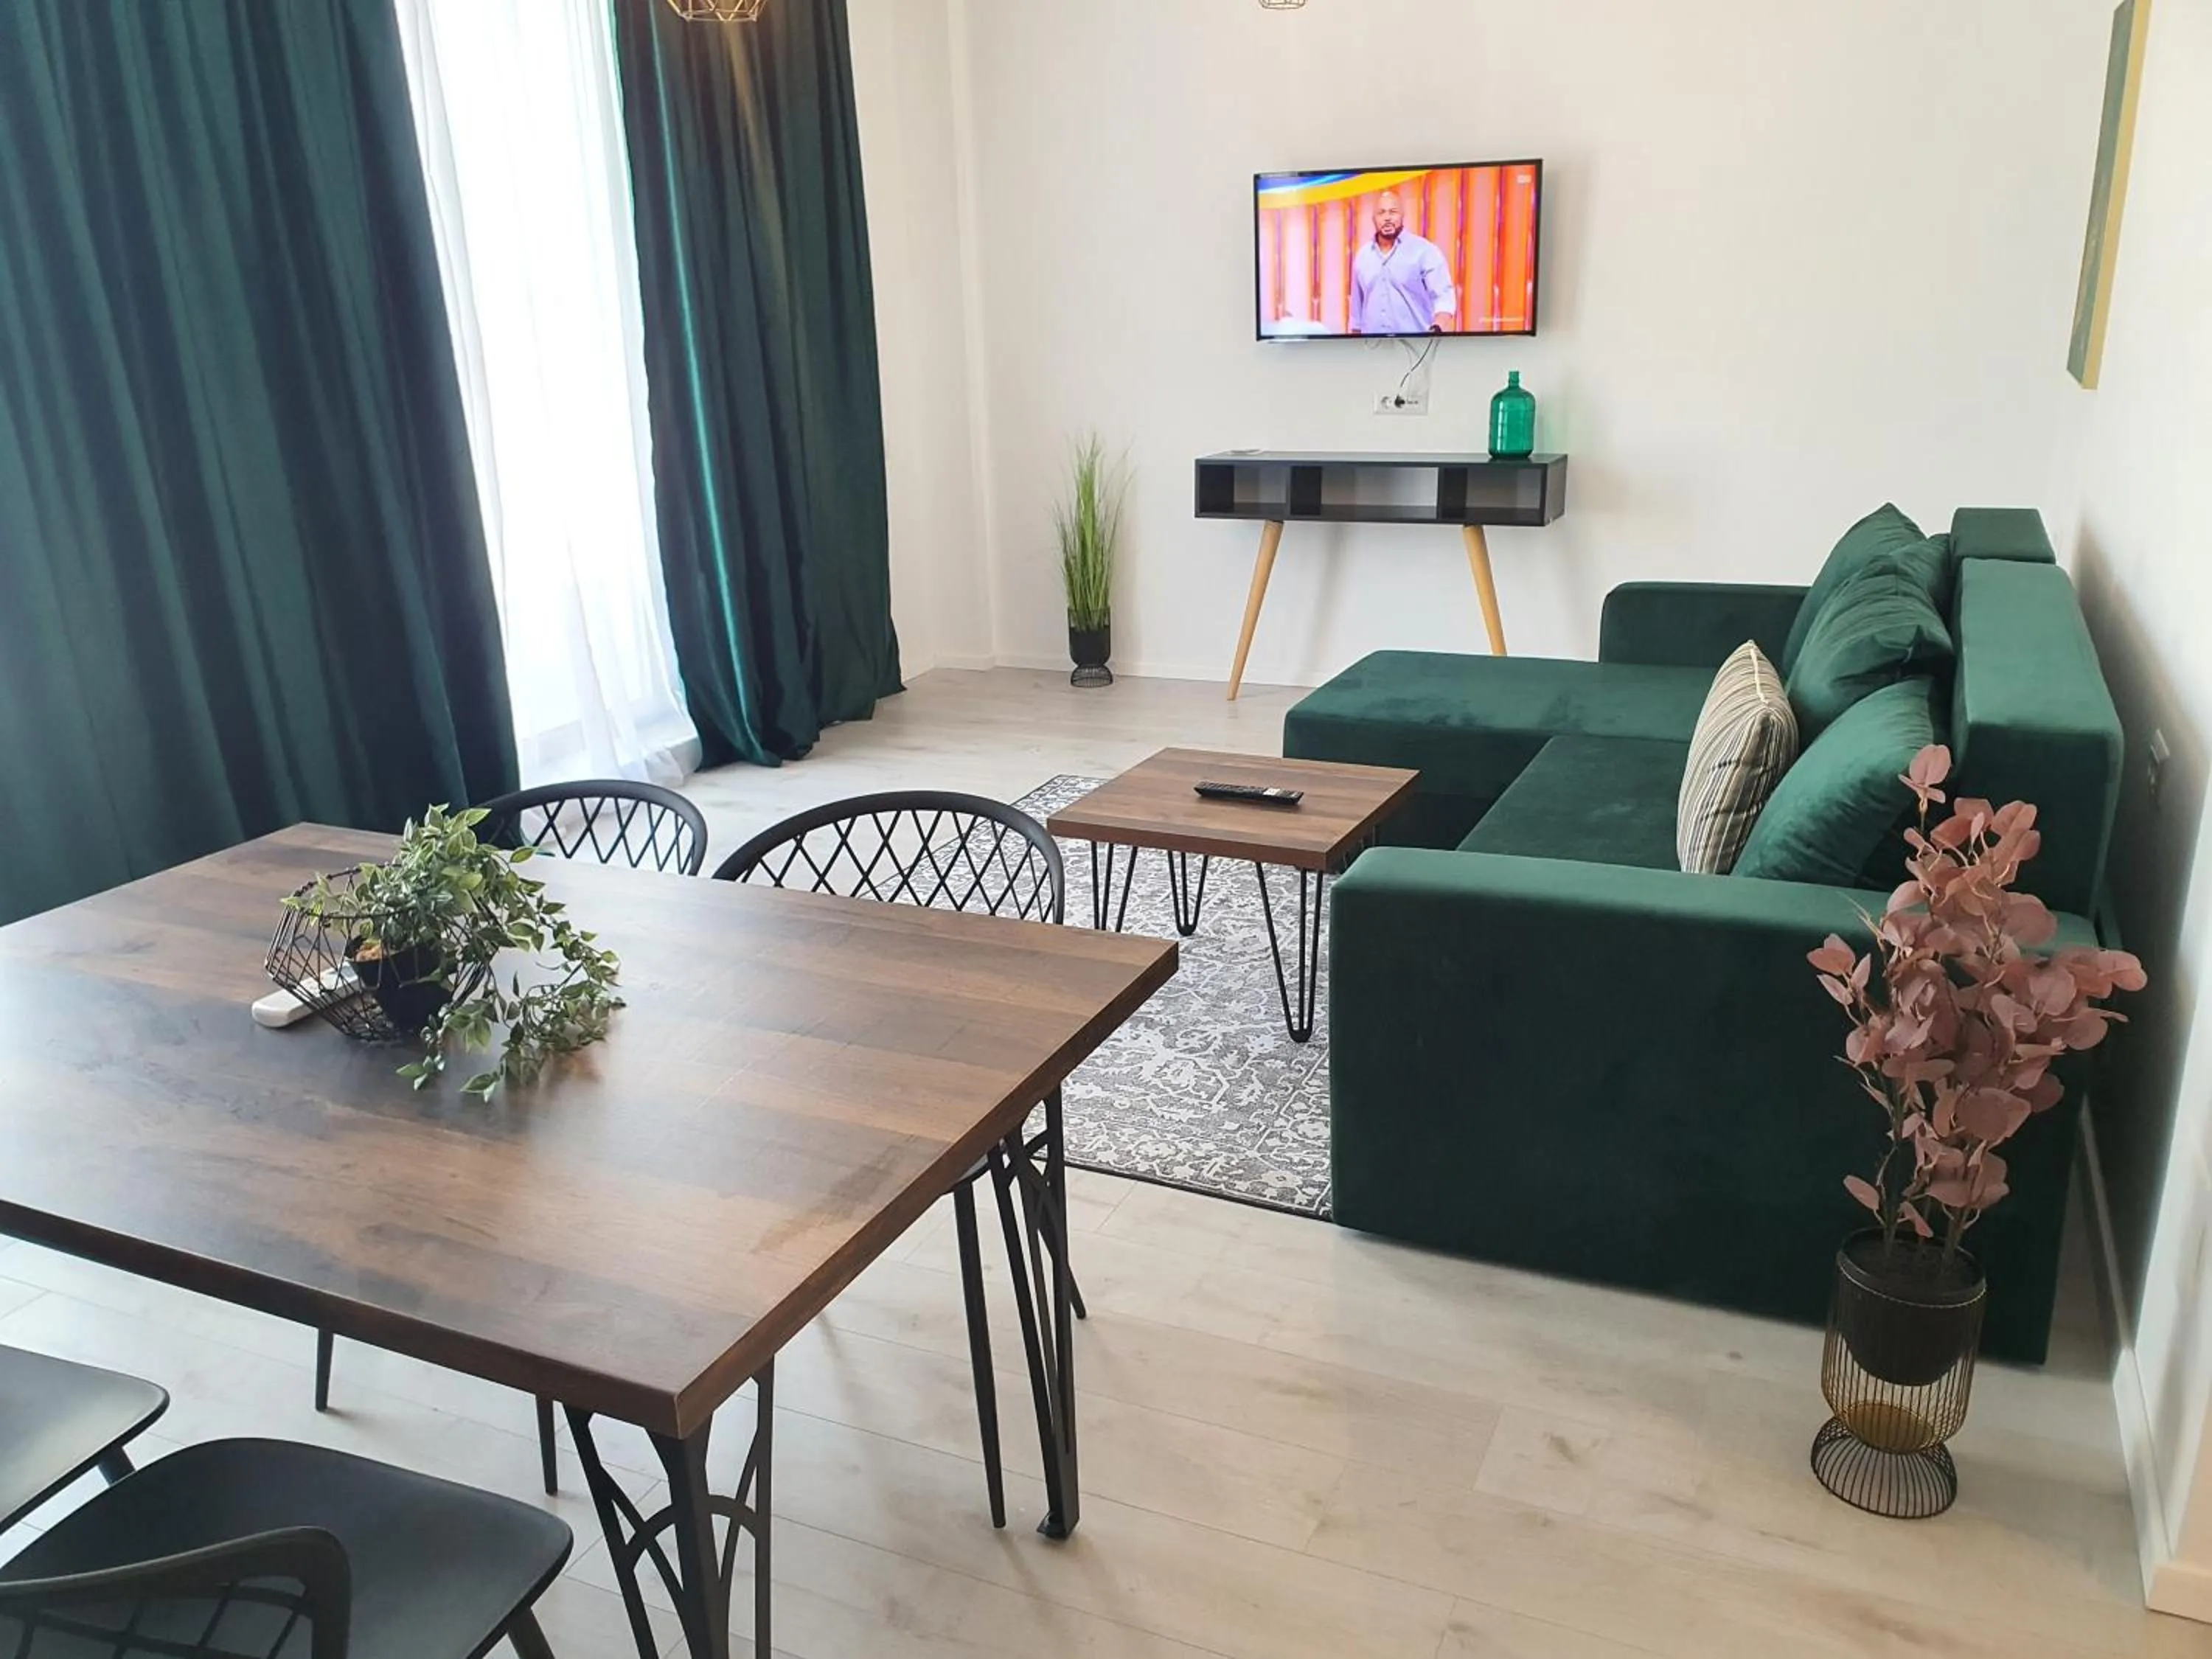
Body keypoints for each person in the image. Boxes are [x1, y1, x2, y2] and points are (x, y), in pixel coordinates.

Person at [1349, 190, 1456, 335]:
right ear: (1373, 218)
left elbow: (1444, 299)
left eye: (1393, 212)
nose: (1387, 218)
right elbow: (1356, 315)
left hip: (1417, 350)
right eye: (1381, 213)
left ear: (1402, 215)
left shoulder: (1424, 251)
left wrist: (1437, 328)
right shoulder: (1363, 256)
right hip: (1372, 351)